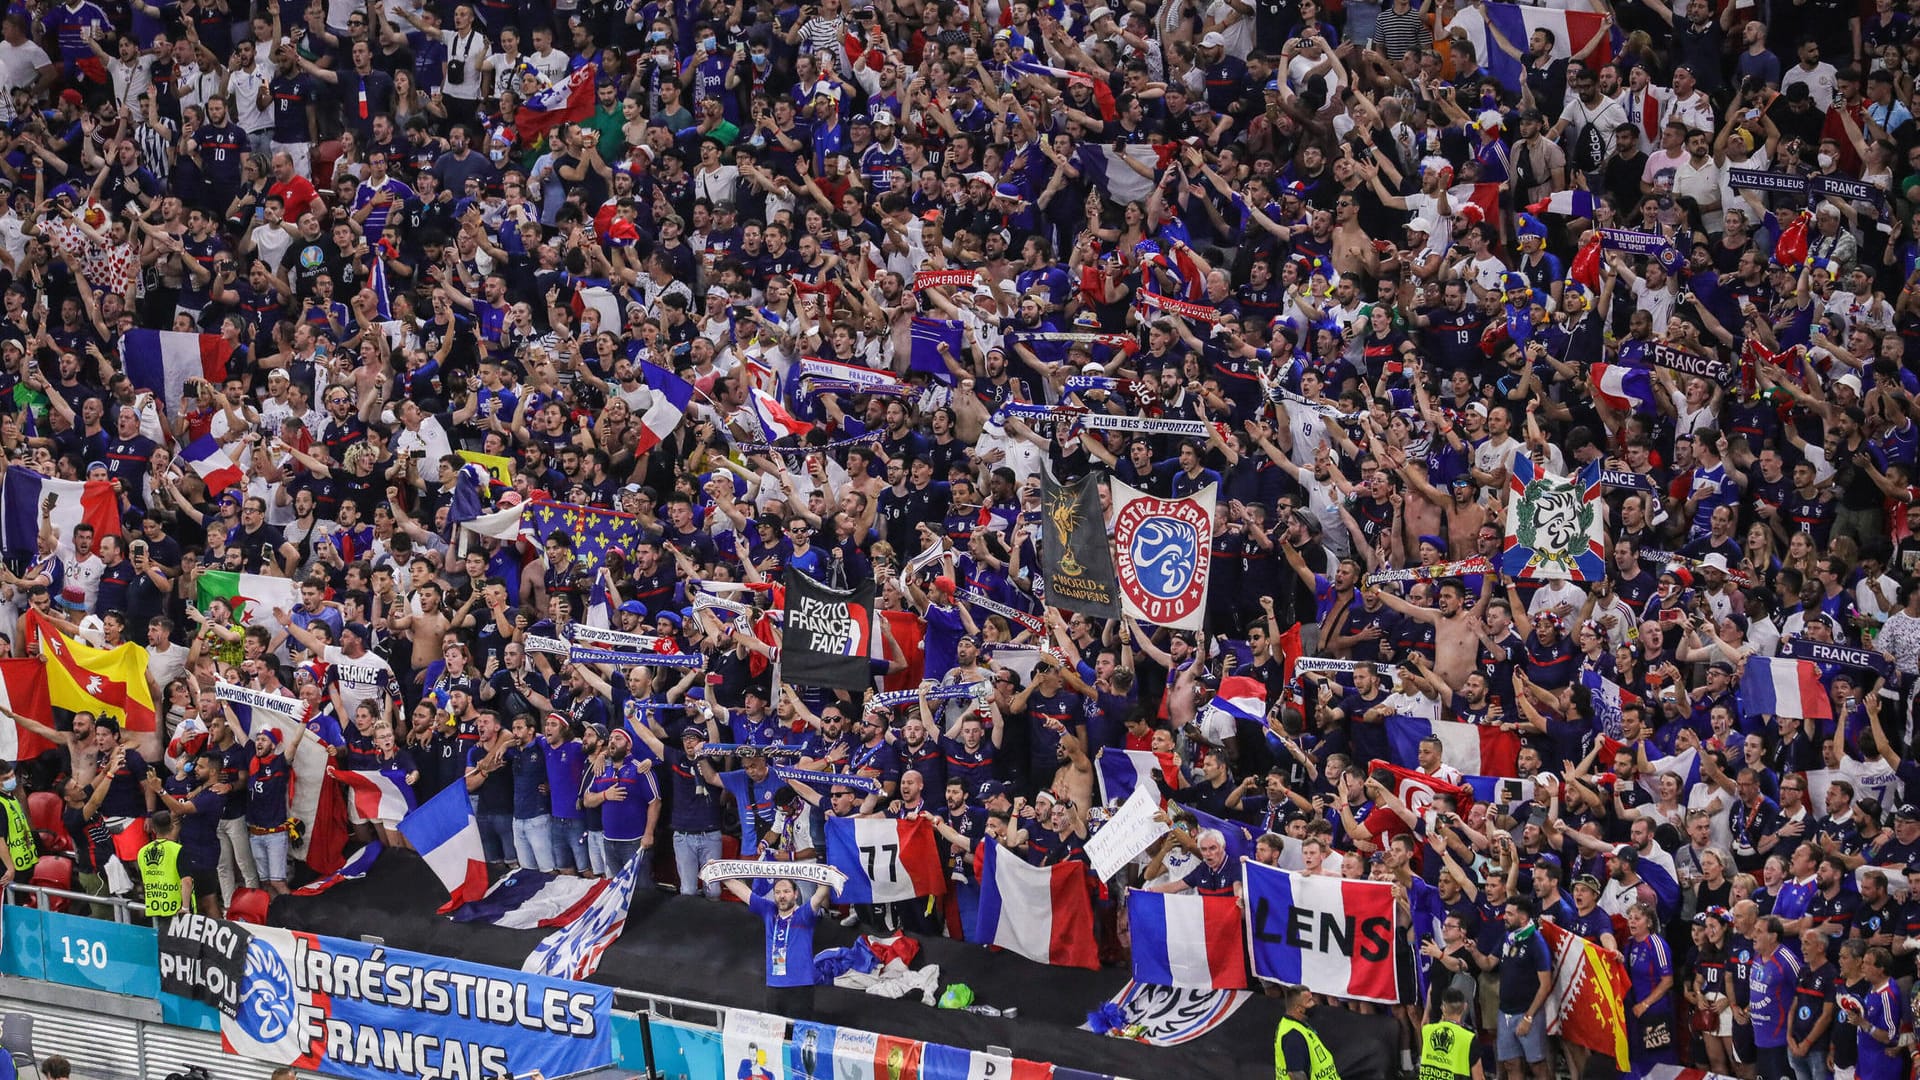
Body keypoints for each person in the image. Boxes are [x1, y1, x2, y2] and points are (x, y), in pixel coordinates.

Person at [719, 874, 835, 1015]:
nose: (782, 896)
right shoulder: (769, 910)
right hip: (774, 987)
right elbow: (744, 892)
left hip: (800, 987)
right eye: (778, 892)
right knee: (775, 1034)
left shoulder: (804, 914)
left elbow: (818, 897)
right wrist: (721, 874)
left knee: (797, 1033)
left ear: (795, 893)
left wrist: (827, 877)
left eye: (786, 892)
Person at [1275, 982, 1342, 1080]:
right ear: (1298, 1009)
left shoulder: (1295, 1024)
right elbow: (1296, 1074)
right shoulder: (1293, 1036)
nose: (1314, 1003)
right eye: (1309, 1001)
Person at [137, 808, 192, 919]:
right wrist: (185, 908)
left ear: (153, 829)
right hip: (178, 908)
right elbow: (186, 881)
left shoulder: (142, 852)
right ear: (172, 826)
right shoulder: (178, 850)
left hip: (156, 907)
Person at [1419, 987, 1482, 1080]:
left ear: (1443, 1008)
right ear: (1465, 1006)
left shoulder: (1427, 1031)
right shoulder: (1468, 1038)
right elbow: (1479, 1077)